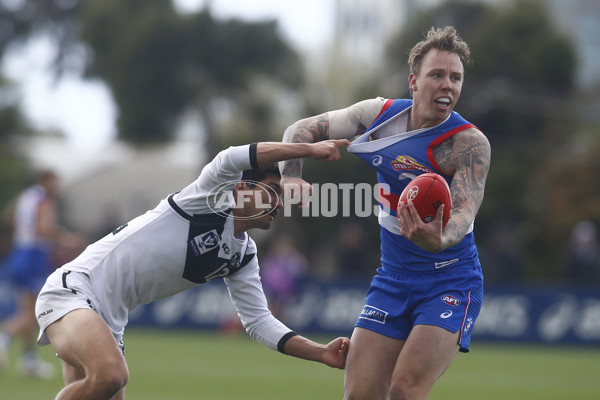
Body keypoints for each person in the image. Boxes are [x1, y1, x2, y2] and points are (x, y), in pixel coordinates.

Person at [35, 139, 351, 400]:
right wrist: (305, 150)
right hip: (75, 290)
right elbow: (231, 157)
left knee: (106, 385)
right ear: (242, 187)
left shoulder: (242, 255)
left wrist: (322, 352)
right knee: (112, 376)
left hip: (109, 320)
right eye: (272, 190)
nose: (278, 203)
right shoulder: (205, 200)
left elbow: (259, 322)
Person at [279, 26, 491, 399]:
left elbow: (463, 212)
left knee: (404, 391)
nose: (447, 85)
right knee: (359, 396)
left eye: (455, 78)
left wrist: (440, 238)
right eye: (437, 75)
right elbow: (300, 129)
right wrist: (291, 176)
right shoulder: (378, 116)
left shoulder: (468, 144)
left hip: (450, 280)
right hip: (393, 278)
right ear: (414, 80)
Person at [0, 170, 61, 379]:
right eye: (54, 181)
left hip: (19, 252)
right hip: (34, 255)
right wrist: (66, 238)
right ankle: (5, 337)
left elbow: (9, 216)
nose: (56, 186)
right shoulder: (44, 200)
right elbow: (45, 229)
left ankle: (29, 361)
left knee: (26, 308)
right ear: (44, 180)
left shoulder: (24, 197)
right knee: (35, 312)